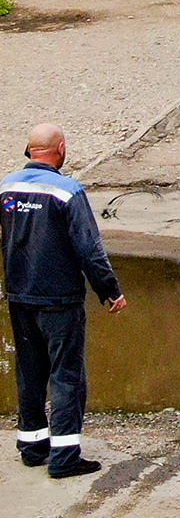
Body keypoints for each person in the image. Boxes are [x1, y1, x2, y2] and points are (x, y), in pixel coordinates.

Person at [3, 124, 125, 479]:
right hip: (59, 298)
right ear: (60, 148)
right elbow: (89, 248)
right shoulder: (68, 190)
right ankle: (64, 458)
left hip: (20, 296)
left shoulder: (7, 185)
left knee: (29, 371)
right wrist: (110, 290)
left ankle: (32, 447)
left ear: (30, 151)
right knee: (66, 376)